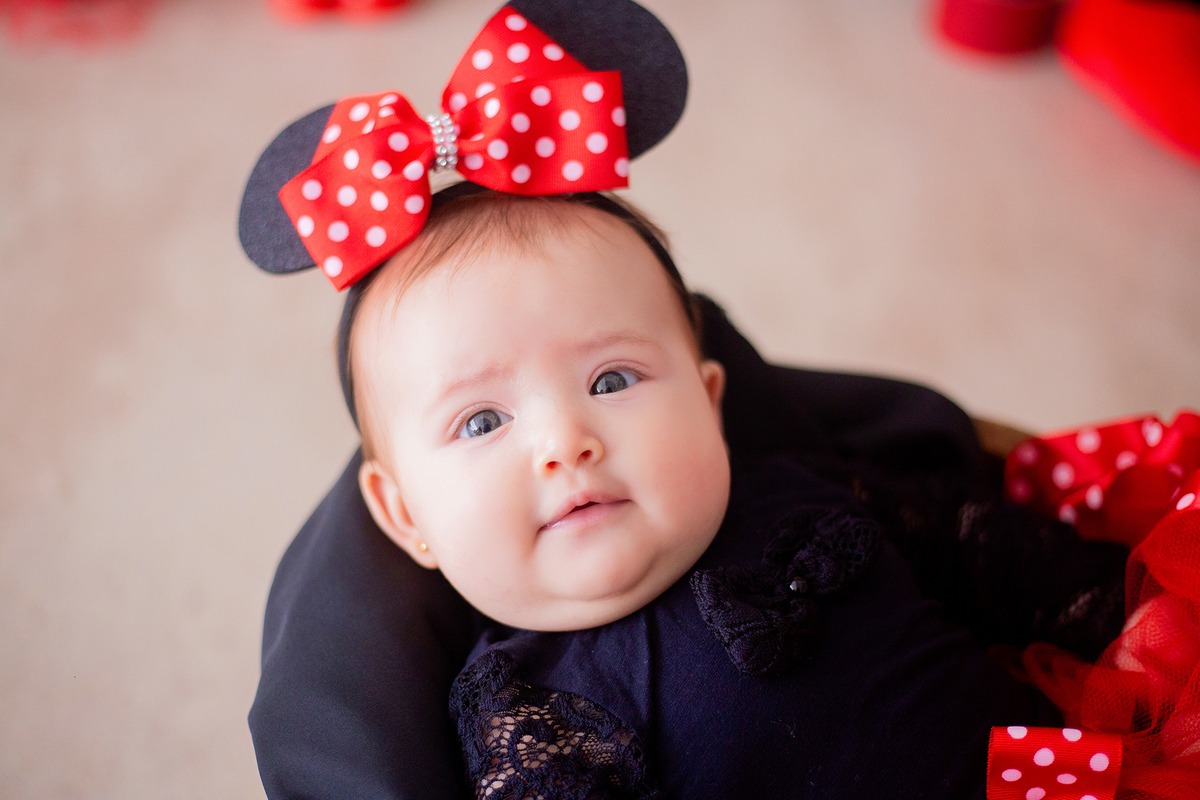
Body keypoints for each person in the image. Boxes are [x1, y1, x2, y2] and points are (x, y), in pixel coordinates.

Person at [238, 3, 1132, 797]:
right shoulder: (529, 709)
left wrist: (1129, 618)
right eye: (482, 421)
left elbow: (1003, 559)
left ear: (711, 403)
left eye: (612, 380)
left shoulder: (808, 488)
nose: (565, 440)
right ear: (405, 519)